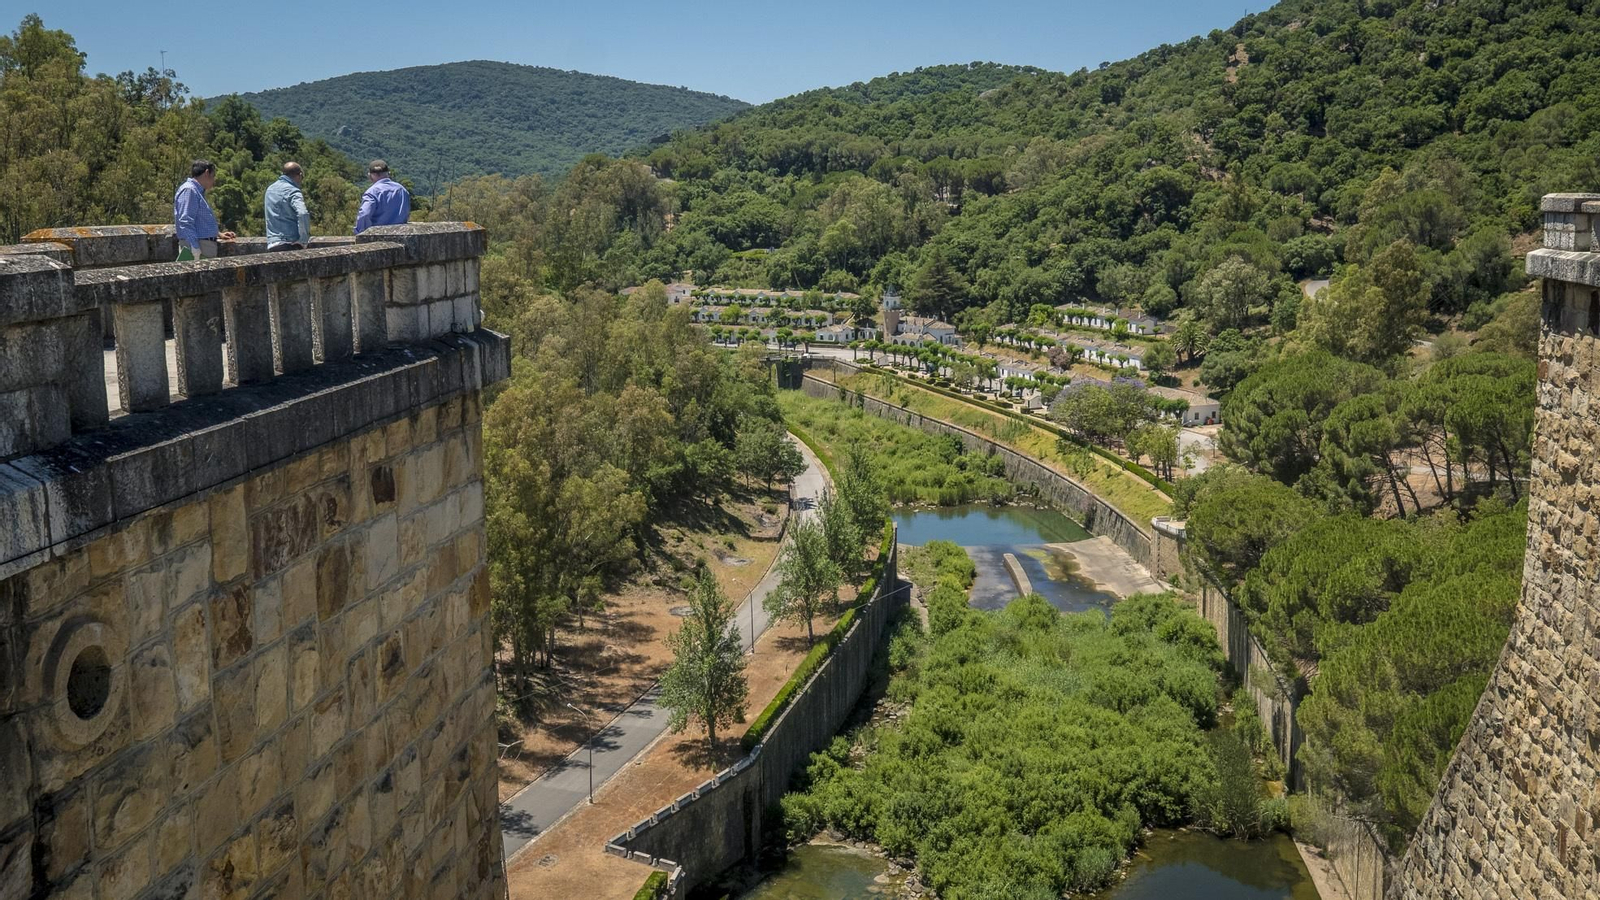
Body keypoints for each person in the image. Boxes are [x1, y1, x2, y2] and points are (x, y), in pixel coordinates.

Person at [173, 159, 234, 259]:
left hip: (202, 245)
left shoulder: (196, 191)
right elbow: (185, 221)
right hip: (198, 247)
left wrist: (217, 234)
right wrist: (194, 247)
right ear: (207, 173)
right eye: (213, 176)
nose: (214, 180)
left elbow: (199, 220)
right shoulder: (189, 190)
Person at [353, 159, 411, 234]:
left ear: (370, 175)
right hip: (400, 234)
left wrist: (360, 233)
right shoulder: (402, 190)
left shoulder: (372, 192)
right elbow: (406, 212)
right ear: (388, 173)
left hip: (379, 236)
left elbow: (364, 214)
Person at [264, 161, 311, 251]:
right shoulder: (293, 190)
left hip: (272, 245)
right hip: (290, 244)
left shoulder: (270, 189)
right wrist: (303, 240)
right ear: (300, 175)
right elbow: (303, 213)